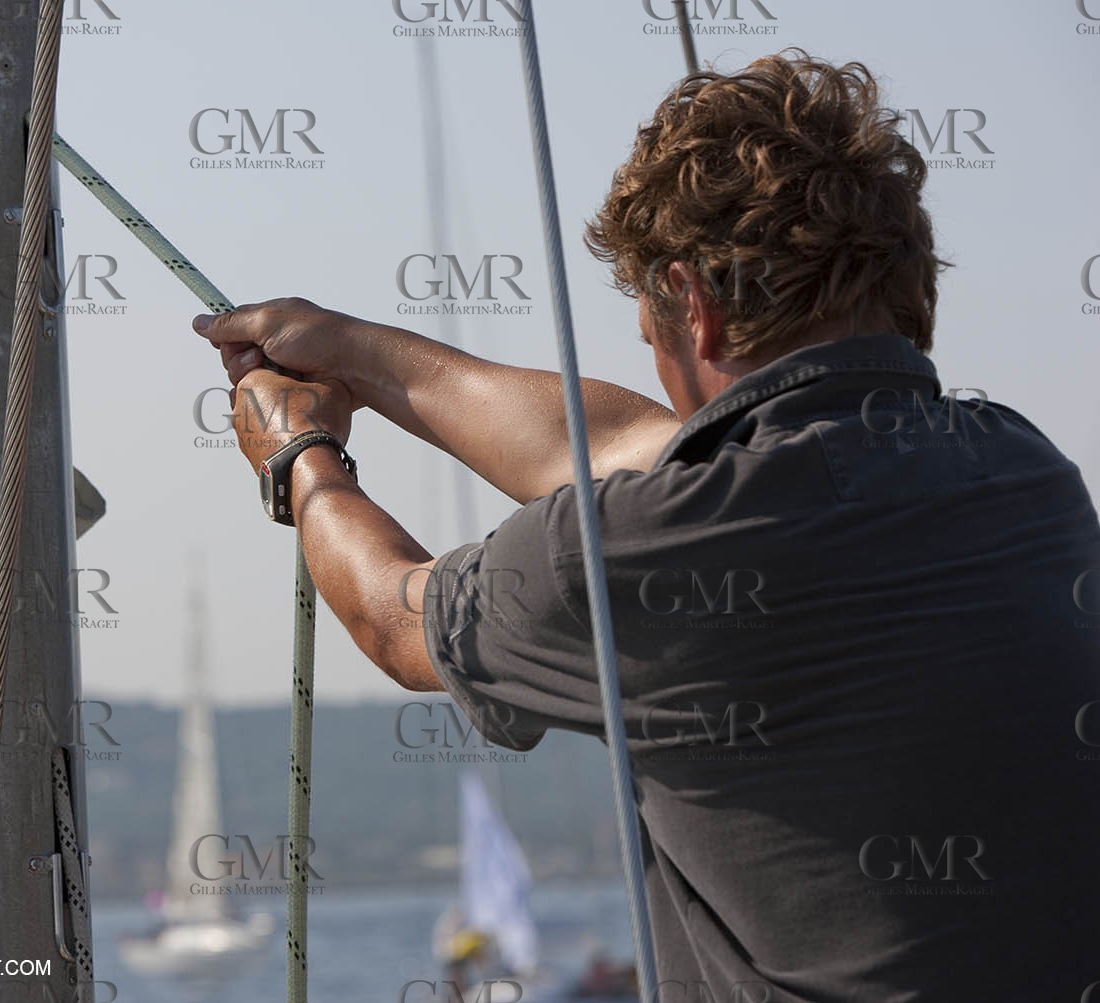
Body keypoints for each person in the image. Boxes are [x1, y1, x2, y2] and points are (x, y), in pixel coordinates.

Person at [191, 52, 1100, 1000]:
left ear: (695, 308)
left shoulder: (644, 547)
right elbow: (625, 443)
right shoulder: (1026, 471)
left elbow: (393, 615)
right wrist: (350, 350)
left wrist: (298, 456)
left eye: (650, 329)